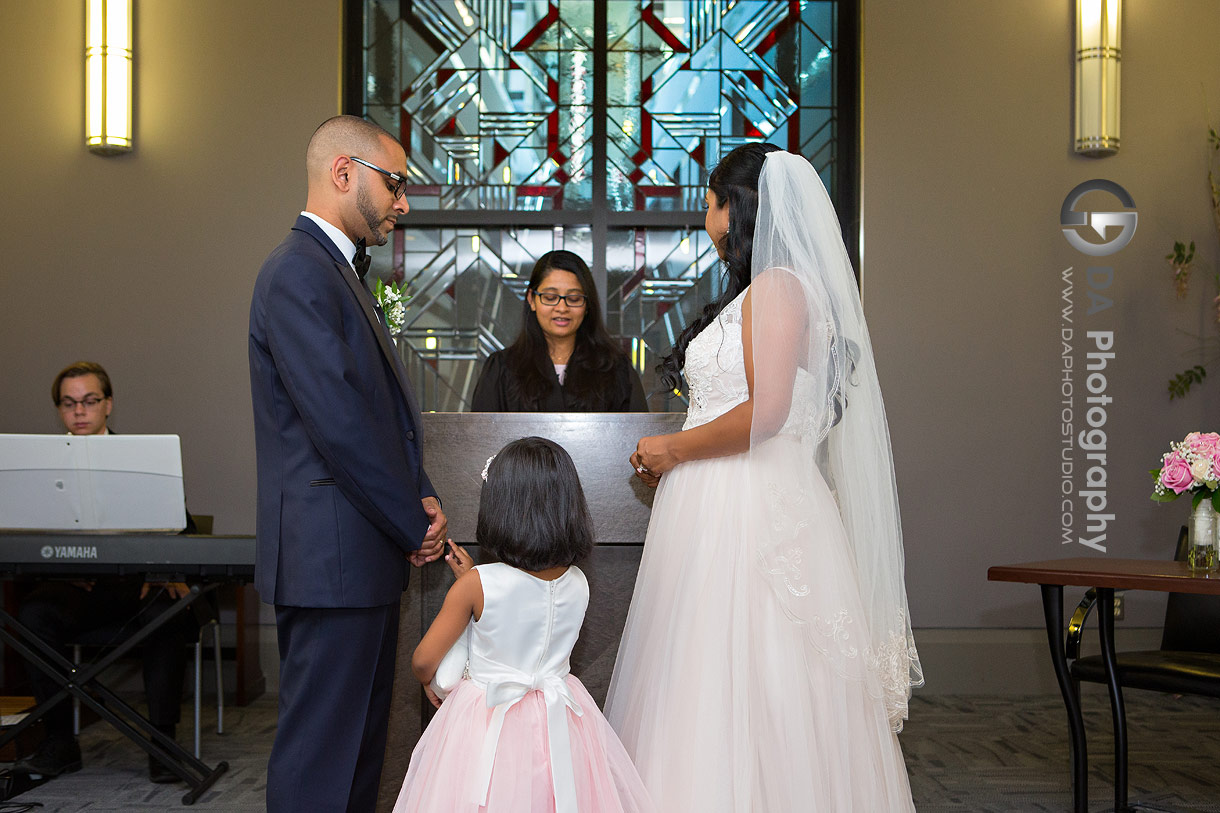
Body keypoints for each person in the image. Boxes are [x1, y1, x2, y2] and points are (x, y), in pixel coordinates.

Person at [605, 145, 924, 810]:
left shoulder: (779, 286)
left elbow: (769, 410)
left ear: (740, 207)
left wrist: (675, 448)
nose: (703, 216)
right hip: (734, 497)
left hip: (748, 505)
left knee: (752, 668)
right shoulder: (766, 289)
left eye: (711, 200)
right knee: (721, 671)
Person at [248, 115, 447, 812]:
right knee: (319, 766)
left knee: (356, 760)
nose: (403, 202)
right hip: (331, 559)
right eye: (394, 183)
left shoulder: (338, 273)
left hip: (356, 556)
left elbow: (378, 414)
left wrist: (418, 495)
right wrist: (408, 518)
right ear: (343, 172)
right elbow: (338, 423)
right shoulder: (297, 272)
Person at [392, 437, 654, 813]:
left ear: (500, 507)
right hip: (559, 717)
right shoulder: (579, 582)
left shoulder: (476, 585)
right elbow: (529, 612)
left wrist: (432, 678)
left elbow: (423, 660)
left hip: (487, 721)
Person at [14, 361, 198, 784]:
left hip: (137, 588)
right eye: (69, 402)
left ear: (108, 404)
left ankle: (161, 744)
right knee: (34, 612)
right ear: (59, 409)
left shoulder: (141, 460)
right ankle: (60, 742)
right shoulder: (39, 467)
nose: (80, 411)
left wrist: (166, 569)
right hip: (80, 591)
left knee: (165, 609)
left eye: (90, 401)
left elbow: (181, 526)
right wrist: (60, 569)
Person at [470, 250, 647, 412]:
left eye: (574, 298)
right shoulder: (502, 369)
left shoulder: (616, 370)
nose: (562, 308)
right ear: (532, 299)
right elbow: (480, 438)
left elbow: (637, 437)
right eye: (550, 297)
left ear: (586, 305)